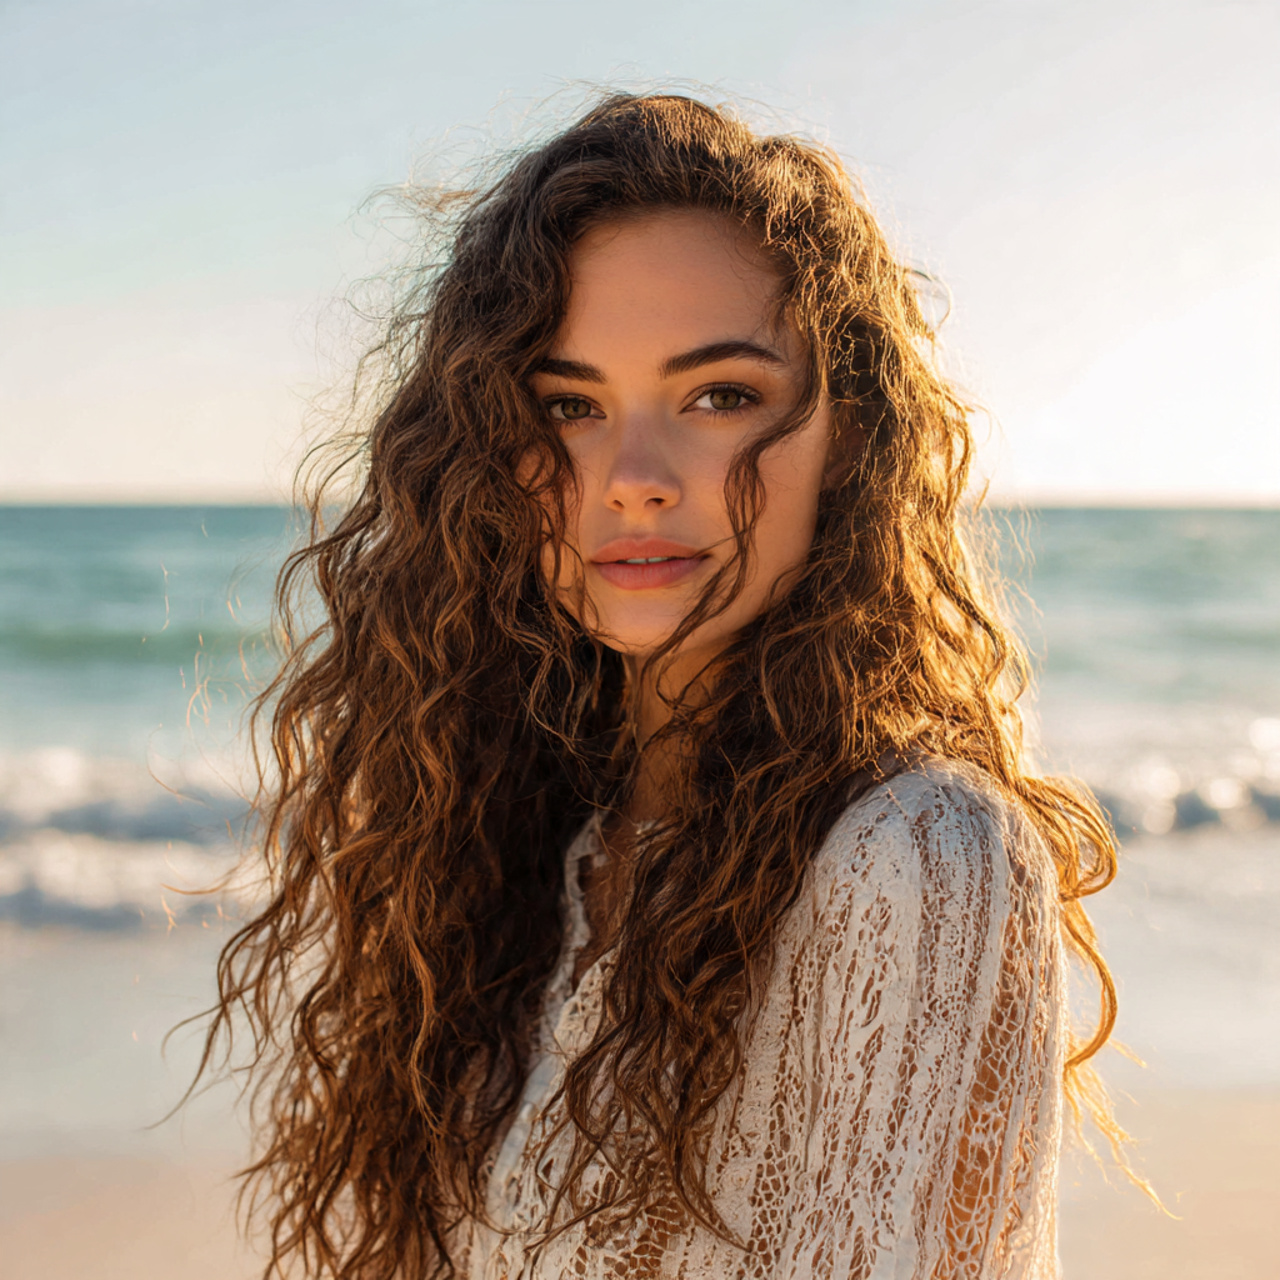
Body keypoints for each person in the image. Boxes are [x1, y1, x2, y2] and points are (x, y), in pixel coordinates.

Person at [204, 93, 1121, 1279]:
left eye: (718, 395)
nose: (630, 477)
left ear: (848, 431)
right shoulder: (534, 858)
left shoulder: (917, 853)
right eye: (568, 407)